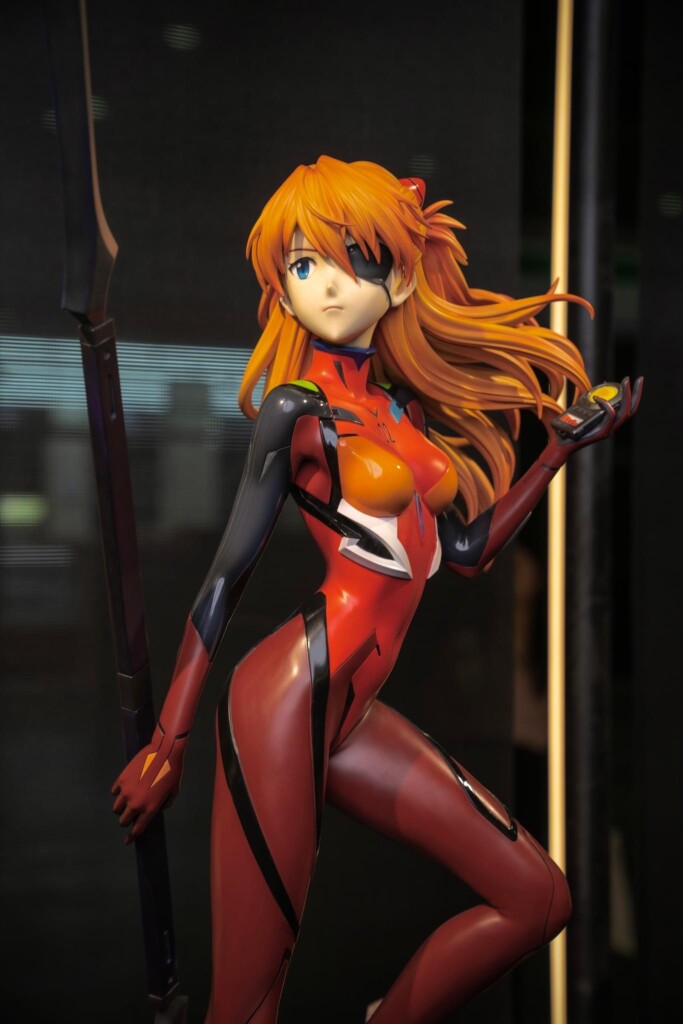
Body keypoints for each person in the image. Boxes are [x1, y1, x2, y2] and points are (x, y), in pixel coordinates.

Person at [111, 156, 642, 1024]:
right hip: (288, 698)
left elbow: (461, 552)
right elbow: (225, 578)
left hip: (352, 714)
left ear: (397, 278)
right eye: (302, 264)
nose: (324, 284)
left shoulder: (402, 415)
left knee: (537, 898)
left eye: (350, 258)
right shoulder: (295, 410)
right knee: (247, 1007)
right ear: (282, 292)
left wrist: (555, 453)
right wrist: (168, 742)